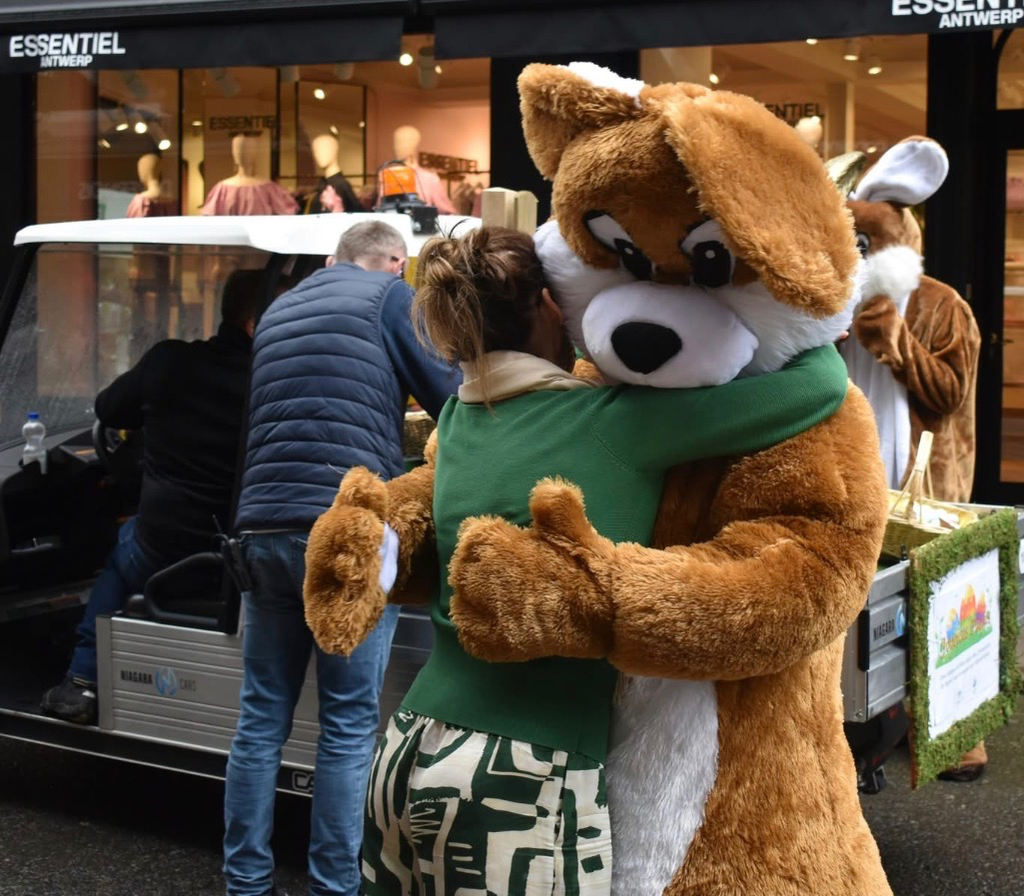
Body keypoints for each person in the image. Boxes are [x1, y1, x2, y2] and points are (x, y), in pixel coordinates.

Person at [345, 227, 852, 896]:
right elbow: (816, 387)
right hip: (521, 772)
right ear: (552, 308)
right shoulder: (615, 423)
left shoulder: (459, 419)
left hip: (407, 748)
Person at [222, 220, 460, 896]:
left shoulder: (278, 306)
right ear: (394, 262)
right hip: (346, 529)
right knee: (348, 723)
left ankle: (245, 882)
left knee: (261, 715)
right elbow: (452, 396)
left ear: (333, 259)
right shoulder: (388, 297)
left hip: (262, 528)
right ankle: (333, 885)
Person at [40, 269, 264, 725]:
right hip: (242, 552)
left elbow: (108, 408)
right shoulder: (271, 381)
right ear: (254, 324)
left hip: (163, 548)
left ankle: (81, 682)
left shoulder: (168, 362)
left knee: (119, 560)